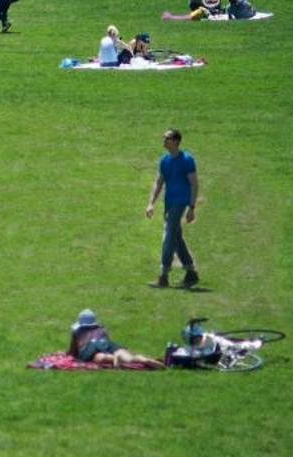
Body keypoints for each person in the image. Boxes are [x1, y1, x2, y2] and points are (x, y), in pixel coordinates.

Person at [144, 128, 200, 289]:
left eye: (167, 138)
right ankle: (190, 272)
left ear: (176, 141)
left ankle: (163, 275)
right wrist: (151, 203)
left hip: (180, 202)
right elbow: (159, 182)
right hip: (169, 203)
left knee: (168, 235)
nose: (164, 140)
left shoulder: (187, 160)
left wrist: (191, 207)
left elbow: (194, 184)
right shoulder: (164, 161)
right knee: (175, 237)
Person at [68, 309, 163, 368]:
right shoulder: (102, 329)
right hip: (106, 343)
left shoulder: (77, 332)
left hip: (90, 346)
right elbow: (106, 344)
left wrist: (70, 354)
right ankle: (142, 359)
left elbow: (73, 351)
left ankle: (113, 358)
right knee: (129, 358)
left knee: (98, 357)